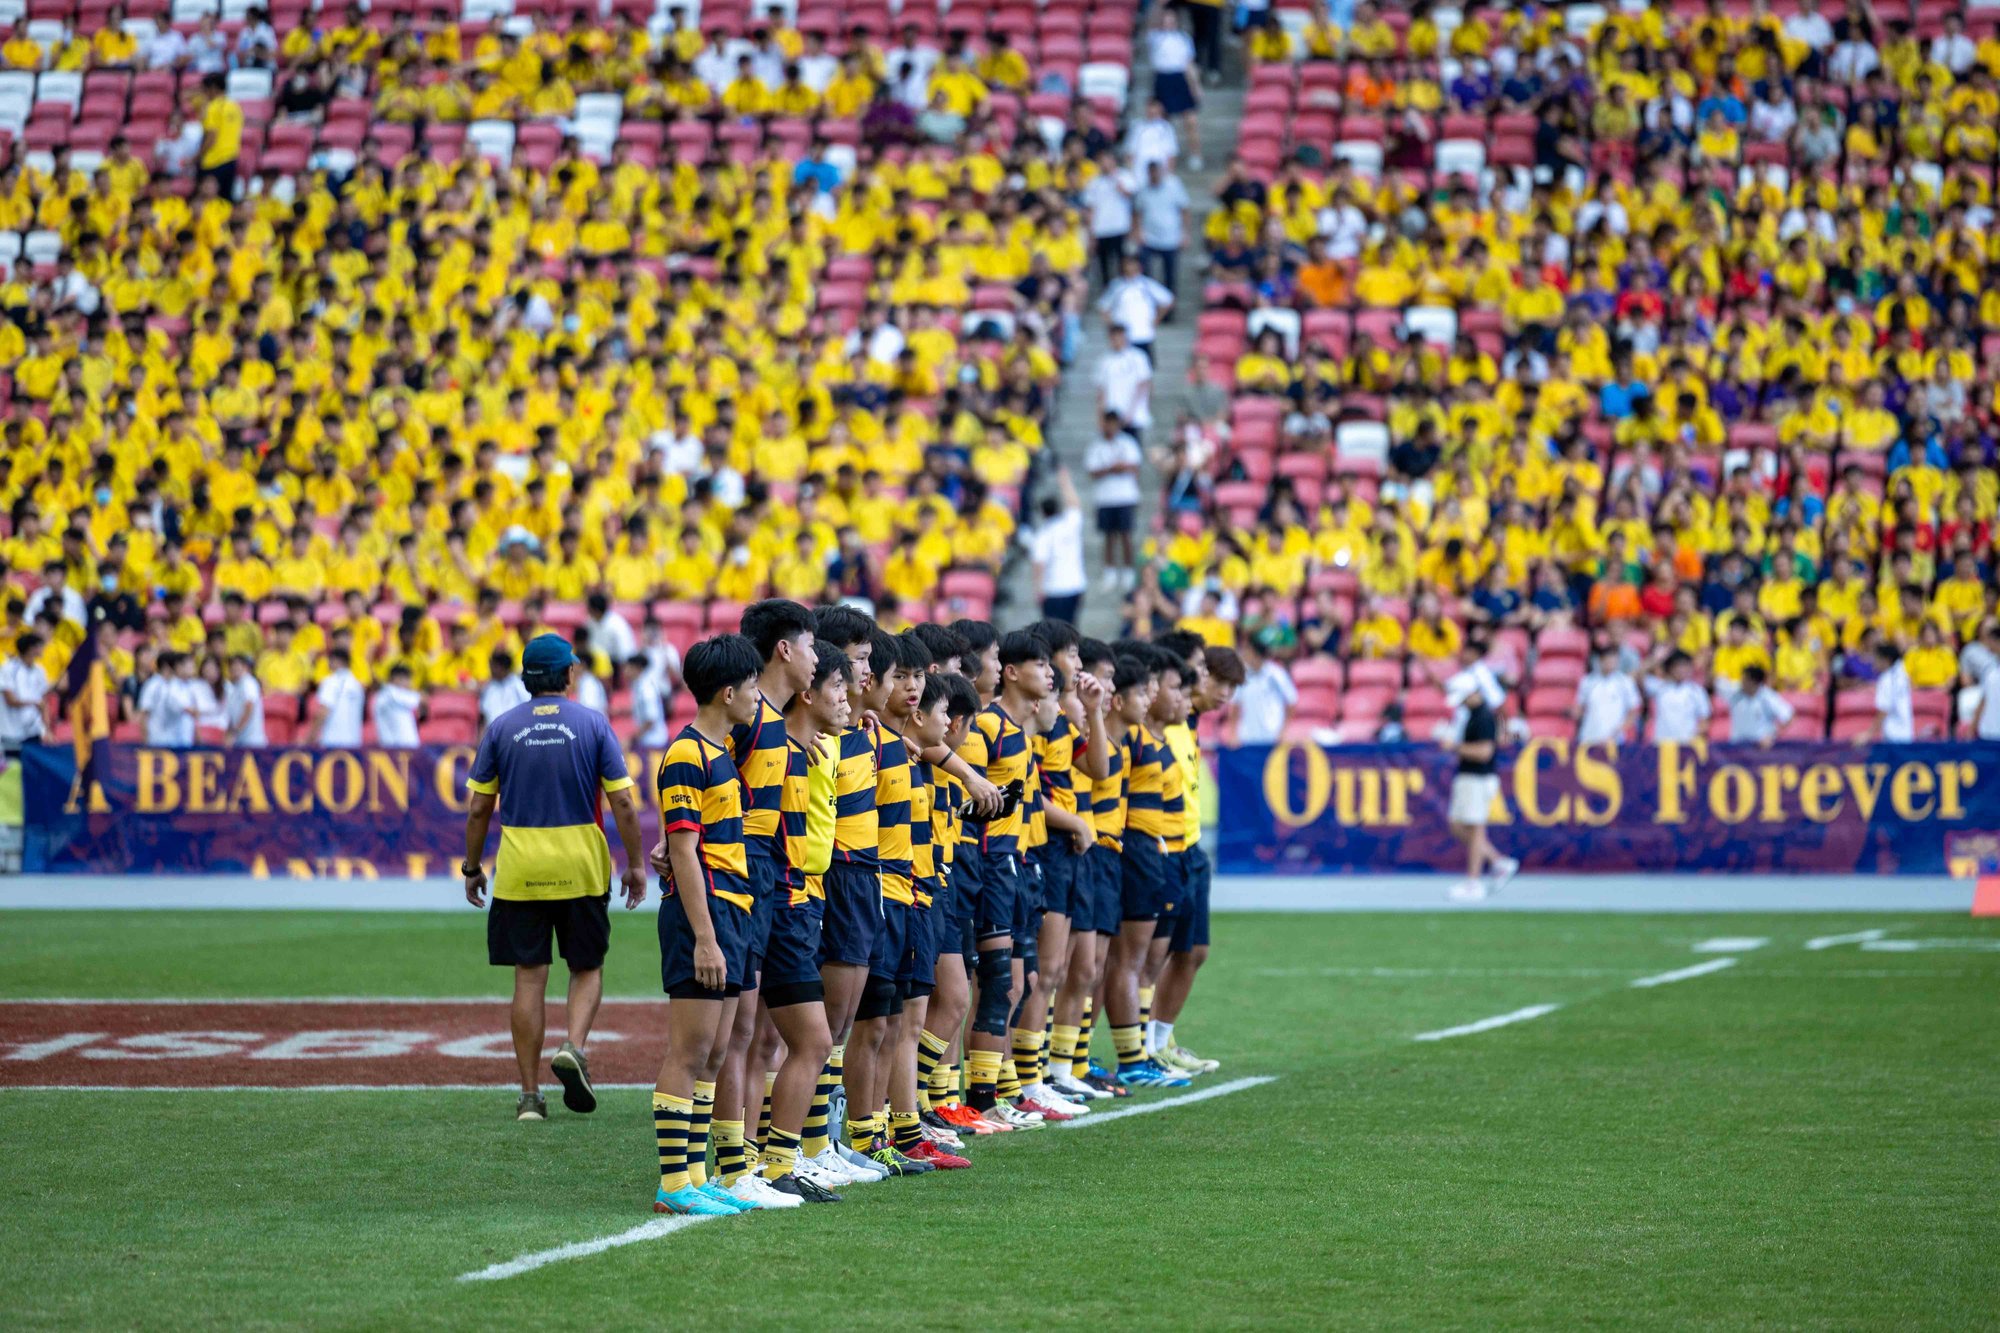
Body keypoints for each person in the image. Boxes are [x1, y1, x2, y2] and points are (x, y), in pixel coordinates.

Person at [463, 633, 648, 1125]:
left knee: (529, 977)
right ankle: (574, 1046)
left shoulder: (501, 728)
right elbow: (623, 802)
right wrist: (635, 864)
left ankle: (529, 1097)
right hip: (582, 868)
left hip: (521, 870)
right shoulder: (593, 724)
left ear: (526, 679)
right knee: (586, 968)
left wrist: (471, 865)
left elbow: (480, 805)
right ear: (570, 674)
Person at [648, 633, 767, 1215]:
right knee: (690, 1049)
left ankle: (694, 1177)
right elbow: (685, 852)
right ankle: (673, 1186)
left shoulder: (719, 753)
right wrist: (705, 937)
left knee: (716, 1052)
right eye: (750, 688)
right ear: (727, 691)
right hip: (708, 912)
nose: (756, 699)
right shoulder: (687, 754)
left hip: (732, 910)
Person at [711, 599, 822, 1206]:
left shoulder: (776, 722)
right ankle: (736, 1166)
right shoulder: (749, 720)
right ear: (784, 649)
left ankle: (764, 1160)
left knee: (779, 1035)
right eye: (810, 646)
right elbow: (712, 785)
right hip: (748, 885)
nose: (815, 658)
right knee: (740, 1031)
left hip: (780, 890)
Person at [1150, 642, 1242, 1077]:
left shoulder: (1189, 723)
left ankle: (1161, 1040)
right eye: (1219, 680)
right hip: (1164, 847)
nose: (1225, 693)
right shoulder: (1166, 722)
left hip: (1191, 847)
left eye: (1232, 686)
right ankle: (1144, 1049)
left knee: (1194, 950)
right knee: (1149, 955)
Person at [1446, 671, 1518, 902]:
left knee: (1476, 829)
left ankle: (1474, 882)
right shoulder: (1472, 714)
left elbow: (1484, 752)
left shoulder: (1485, 716)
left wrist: (1454, 747)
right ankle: (1498, 861)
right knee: (1458, 825)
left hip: (1478, 778)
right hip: (1469, 776)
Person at [1085, 410, 1145, 591]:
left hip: (1125, 496)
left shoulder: (1128, 443)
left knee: (1126, 535)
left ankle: (1128, 572)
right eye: (1107, 423)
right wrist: (1113, 468)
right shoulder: (1096, 446)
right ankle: (1109, 572)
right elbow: (1093, 471)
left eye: (1113, 423)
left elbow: (1135, 466)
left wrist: (1116, 468)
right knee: (1109, 536)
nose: (1110, 427)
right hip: (1105, 498)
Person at [1029, 466, 1088, 625]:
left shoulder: (1042, 534)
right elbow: (1075, 504)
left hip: (1053, 589)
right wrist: (1065, 482)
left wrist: (1038, 589)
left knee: (1053, 633)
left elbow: (1038, 564)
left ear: (1042, 512)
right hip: (1075, 585)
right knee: (1070, 628)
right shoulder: (1070, 524)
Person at [1134, 159, 1192, 297]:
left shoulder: (1174, 186)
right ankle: (1148, 303)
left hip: (1170, 237)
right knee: (1145, 272)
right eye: (1151, 172)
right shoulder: (1143, 189)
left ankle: (1170, 309)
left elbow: (1184, 209)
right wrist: (1138, 232)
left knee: (1170, 276)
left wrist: (1185, 233)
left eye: (1156, 171)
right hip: (1149, 237)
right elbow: (1138, 212)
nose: (1154, 175)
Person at [1233, 628, 1296, 743]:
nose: (1243, 653)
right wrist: (1233, 733)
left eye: (1247, 650)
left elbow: (1291, 702)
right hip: (1247, 739)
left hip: (1272, 739)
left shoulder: (1276, 674)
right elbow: (1235, 705)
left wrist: (1283, 731)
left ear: (1255, 653)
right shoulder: (1241, 675)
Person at [1643, 649, 1711, 743]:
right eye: (1678, 666)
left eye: (1685, 665)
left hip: (1686, 745)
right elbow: (1639, 676)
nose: (1682, 670)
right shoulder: (1659, 687)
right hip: (1662, 745)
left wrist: (1693, 737)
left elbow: (1704, 720)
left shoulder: (1697, 691)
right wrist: (1656, 658)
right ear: (1670, 668)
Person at [1574, 650, 1641, 745]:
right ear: (1600, 661)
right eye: (1608, 660)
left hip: (1615, 741)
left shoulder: (1625, 682)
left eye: (1614, 661)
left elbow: (1634, 712)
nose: (1611, 663)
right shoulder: (1588, 681)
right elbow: (1579, 709)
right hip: (1588, 737)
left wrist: (1618, 730)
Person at [1718, 665, 1793, 747]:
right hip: (1737, 747)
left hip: (1759, 748)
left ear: (1754, 682)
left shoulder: (1768, 697)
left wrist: (1772, 736)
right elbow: (1720, 684)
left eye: (1744, 680)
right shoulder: (1734, 692)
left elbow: (1789, 716)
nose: (1741, 682)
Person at [306, 648, 366, 747]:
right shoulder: (358, 686)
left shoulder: (331, 681)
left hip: (332, 743)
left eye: (329, 660)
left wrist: (309, 738)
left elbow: (323, 712)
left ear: (336, 661)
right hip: (355, 744)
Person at [0, 631, 48, 751]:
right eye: (39, 646)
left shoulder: (40, 671)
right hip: (11, 731)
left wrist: (47, 728)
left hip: (33, 731)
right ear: (31, 649)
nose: (43, 649)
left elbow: (44, 701)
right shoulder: (8, 669)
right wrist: (34, 703)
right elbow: (10, 700)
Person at [1863, 642, 1915, 743]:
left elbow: (1884, 710)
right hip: (1907, 734)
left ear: (1886, 660)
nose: (1874, 662)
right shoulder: (1902, 674)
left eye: (1876, 659)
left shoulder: (1886, 680)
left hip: (1892, 736)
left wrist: (1868, 734)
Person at [372, 663, 424, 749]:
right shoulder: (389, 693)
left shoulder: (392, 695)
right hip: (394, 749)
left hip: (404, 749)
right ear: (397, 679)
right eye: (408, 680)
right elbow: (421, 699)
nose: (410, 683)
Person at [479, 651, 530, 737]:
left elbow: (528, 706)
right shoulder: (489, 687)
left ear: (502, 667)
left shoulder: (518, 684)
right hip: (493, 732)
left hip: (516, 731)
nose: (490, 670)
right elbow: (484, 715)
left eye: (493, 666)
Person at [221, 654, 266, 748]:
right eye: (232, 665)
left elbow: (249, 706)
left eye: (237, 665)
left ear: (245, 667)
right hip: (240, 741)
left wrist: (235, 731)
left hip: (253, 741)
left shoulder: (248, 682)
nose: (234, 668)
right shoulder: (234, 688)